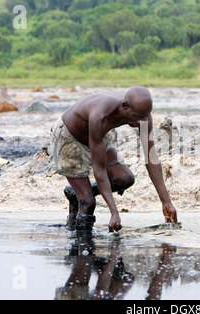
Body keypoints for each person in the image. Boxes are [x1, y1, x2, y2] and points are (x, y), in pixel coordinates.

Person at [50, 86, 178, 232]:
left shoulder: (143, 117)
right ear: (124, 106)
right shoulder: (100, 116)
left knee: (125, 178)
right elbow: (99, 169)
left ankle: (74, 194)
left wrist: (166, 202)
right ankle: (81, 245)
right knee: (88, 203)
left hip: (96, 136)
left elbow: (151, 158)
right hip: (69, 136)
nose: (140, 122)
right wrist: (114, 213)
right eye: (136, 116)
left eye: (144, 117)